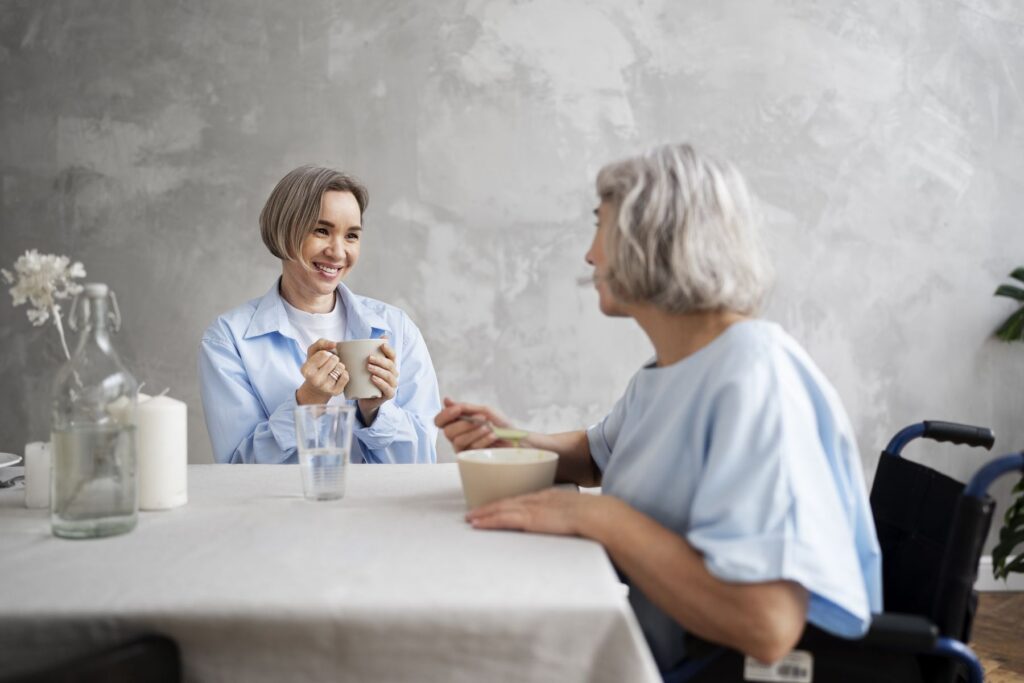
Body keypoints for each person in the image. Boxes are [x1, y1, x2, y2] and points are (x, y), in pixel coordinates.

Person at [435, 143, 882, 673]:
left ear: (653, 237)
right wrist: (514, 441)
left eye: (600, 227)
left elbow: (768, 625)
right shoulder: (679, 362)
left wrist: (598, 516)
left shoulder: (755, 379)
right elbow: (598, 458)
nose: (590, 256)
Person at [200, 166, 440, 464]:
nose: (338, 252)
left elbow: (422, 463)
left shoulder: (397, 329)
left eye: (351, 236)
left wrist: (376, 412)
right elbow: (238, 468)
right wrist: (307, 402)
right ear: (284, 231)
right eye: (322, 231)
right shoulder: (230, 339)